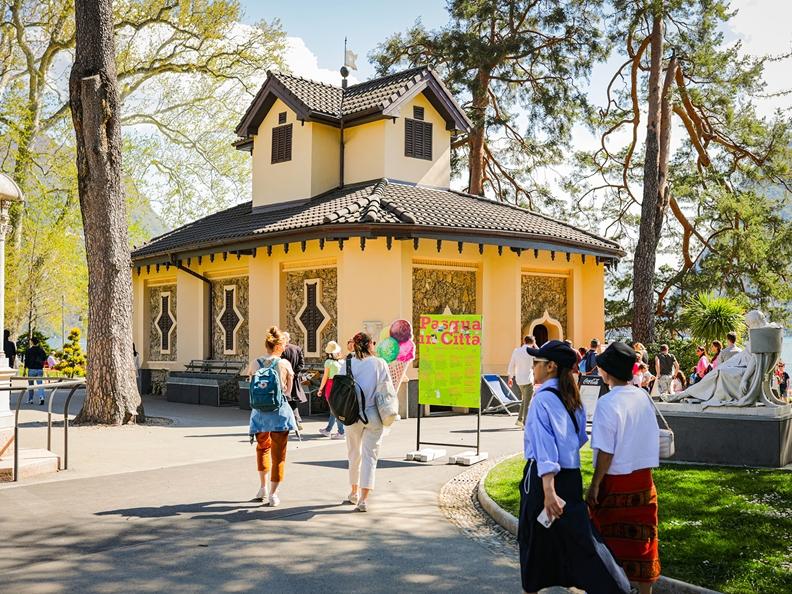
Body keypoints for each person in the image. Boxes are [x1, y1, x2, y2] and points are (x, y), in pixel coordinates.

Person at [519, 340, 630, 594]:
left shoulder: (541, 399)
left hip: (543, 480)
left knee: (534, 540)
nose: (533, 367)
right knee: (581, 539)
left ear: (550, 366)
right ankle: (616, 586)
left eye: (536, 362)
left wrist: (548, 490)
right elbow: (579, 438)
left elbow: (544, 447)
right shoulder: (574, 399)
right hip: (571, 477)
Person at [588, 342, 661, 593]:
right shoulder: (642, 396)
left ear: (608, 371)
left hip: (615, 480)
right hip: (644, 479)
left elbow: (606, 451)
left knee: (608, 542)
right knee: (644, 541)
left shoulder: (607, 403)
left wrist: (595, 484)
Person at [337, 332, 395, 512]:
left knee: (354, 454)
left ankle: (353, 492)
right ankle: (364, 499)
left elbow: (339, 387)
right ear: (370, 344)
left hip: (352, 414)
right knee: (370, 456)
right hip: (373, 414)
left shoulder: (347, 363)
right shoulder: (380, 363)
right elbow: (387, 389)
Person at [248, 326, 296, 507]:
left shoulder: (255, 363)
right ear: (277, 346)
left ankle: (262, 487)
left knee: (262, 448)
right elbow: (288, 392)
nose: (285, 347)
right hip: (279, 413)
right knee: (279, 454)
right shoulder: (284, 364)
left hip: (259, 414)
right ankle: (274, 494)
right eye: (283, 345)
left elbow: (251, 386)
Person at [318, 340, 345, 439]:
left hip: (331, 386)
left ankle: (341, 432)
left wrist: (320, 389)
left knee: (335, 410)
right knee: (334, 410)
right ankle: (328, 429)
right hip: (341, 386)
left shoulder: (328, 362)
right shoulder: (342, 362)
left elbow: (325, 377)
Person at [507, 335, 535, 428]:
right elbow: (540, 354)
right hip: (528, 380)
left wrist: (510, 377)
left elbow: (512, 364)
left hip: (519, 380)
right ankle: (526, 424)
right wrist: (535, 345)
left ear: (524, 341)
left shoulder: (516, 351)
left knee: (525, 400)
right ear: (532, 342)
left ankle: (519, 419)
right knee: (528, 403)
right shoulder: (531, 351)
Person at [281, 334, 306, 431]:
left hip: (284, 379)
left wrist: (287, 374)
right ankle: (296, 420)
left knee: (286, 400)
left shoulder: (281, 350)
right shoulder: (297, 348)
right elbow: (302, 364)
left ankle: (291, 421)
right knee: (291, 400)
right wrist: (294, 373)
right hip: (294, 378)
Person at [24, 336, 47, 405]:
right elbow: (44, 359)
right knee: (40, 384)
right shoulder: (41, 350)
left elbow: (26, 361)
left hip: (31, 369)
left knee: (31, 385)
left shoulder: (29, 350)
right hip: (39, 369)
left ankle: (30, 399)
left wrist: (24, 370)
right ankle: (41, 397)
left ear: (32, 342)